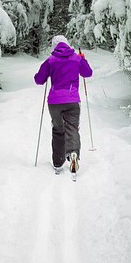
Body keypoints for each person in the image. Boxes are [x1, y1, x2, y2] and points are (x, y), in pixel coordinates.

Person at [34, 35, 93, 175]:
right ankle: (73, 154)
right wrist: (83, 59)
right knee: (72, 128)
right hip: (72, 100)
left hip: (54, 102)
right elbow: (88, 73)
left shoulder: (50, 60)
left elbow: (39, 80)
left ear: (54, 46)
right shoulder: (76, 58)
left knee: (58, 130)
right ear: (67, 44)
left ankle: (58, 162)